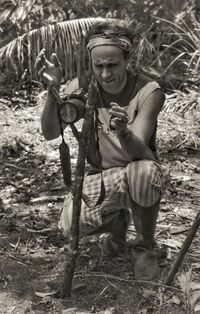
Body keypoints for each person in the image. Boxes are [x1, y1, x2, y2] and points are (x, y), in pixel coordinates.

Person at [35, 19, 170, 280]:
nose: (105, 74)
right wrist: (53, 92)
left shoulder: (147, 91)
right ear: (91, 63)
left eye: (112, 65)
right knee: (69, 224)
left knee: (142, 173)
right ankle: (118, 229)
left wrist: (124, 132)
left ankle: (144, 246)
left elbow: (138, 152)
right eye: (99, 66)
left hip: (138, 170)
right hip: (103, 176)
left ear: (127, 61)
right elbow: (51, 133)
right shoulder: (82, 86)